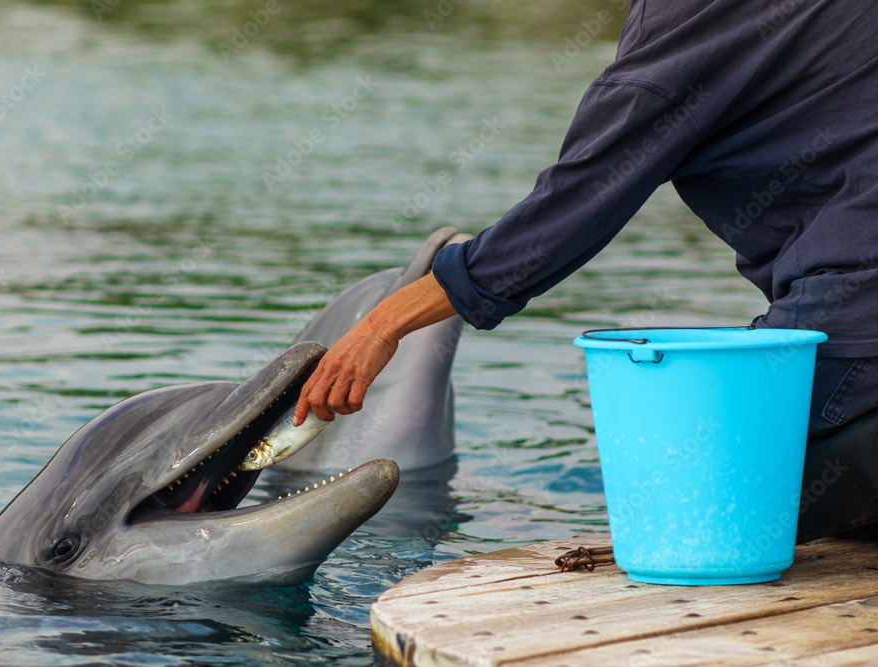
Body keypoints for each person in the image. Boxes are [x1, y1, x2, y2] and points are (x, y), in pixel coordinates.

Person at [292, 0, 878, 538]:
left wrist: (383, 324)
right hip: (851, 301)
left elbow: (569, 212)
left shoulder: (682, 29)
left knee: (702, 499)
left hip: (858, 309)